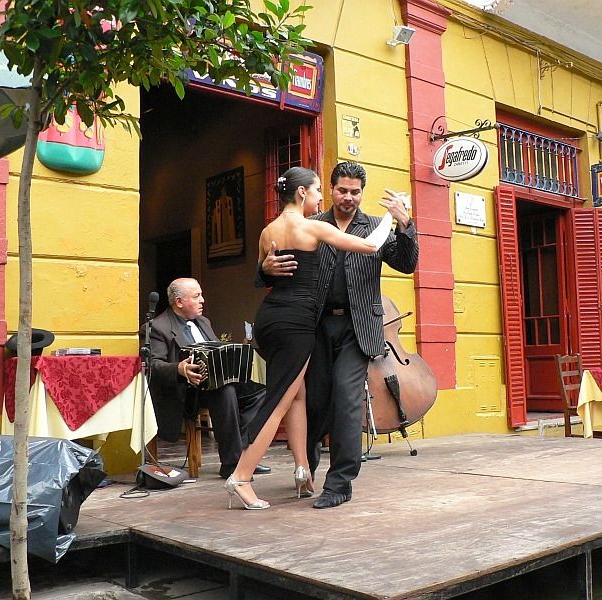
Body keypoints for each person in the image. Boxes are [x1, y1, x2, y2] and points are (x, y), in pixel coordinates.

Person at [225, 166, 393, 510]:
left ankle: (303, 468)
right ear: (302, 193)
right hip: (299, 322)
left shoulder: (267, 230)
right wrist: (391, 217)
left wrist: (264, 269)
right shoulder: (314, 225)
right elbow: (370, 244)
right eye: (318, 191)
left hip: (270, 318)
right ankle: (241, 475)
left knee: (298, 395)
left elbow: (263, 271)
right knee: (280, 400)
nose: (320, 198)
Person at [260, 161, 418, 509]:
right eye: (342, 190)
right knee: (315, 401)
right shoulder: (311, 223)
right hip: (313, 326)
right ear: (330, 190)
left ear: (362, 193)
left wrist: (405, 222)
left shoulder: (377, 225)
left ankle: (340, 483)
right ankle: (307, 468)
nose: (348, 197)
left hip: (357, 327)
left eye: (355, 192)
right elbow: (279, 273)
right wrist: (264, 270)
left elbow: (406, 264)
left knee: (347, 401)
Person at [148, 277, 271, 479]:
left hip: (213, 385)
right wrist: (179, 369)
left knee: (260, 389)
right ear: (179, 302)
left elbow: (216, 352)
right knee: (225, 390)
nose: (203, 300)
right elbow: (154, 366)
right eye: (197, 296)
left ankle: (244, 456)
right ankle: (231, 464)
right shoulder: (158, 327)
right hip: (185, 393)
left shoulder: (204, 322)